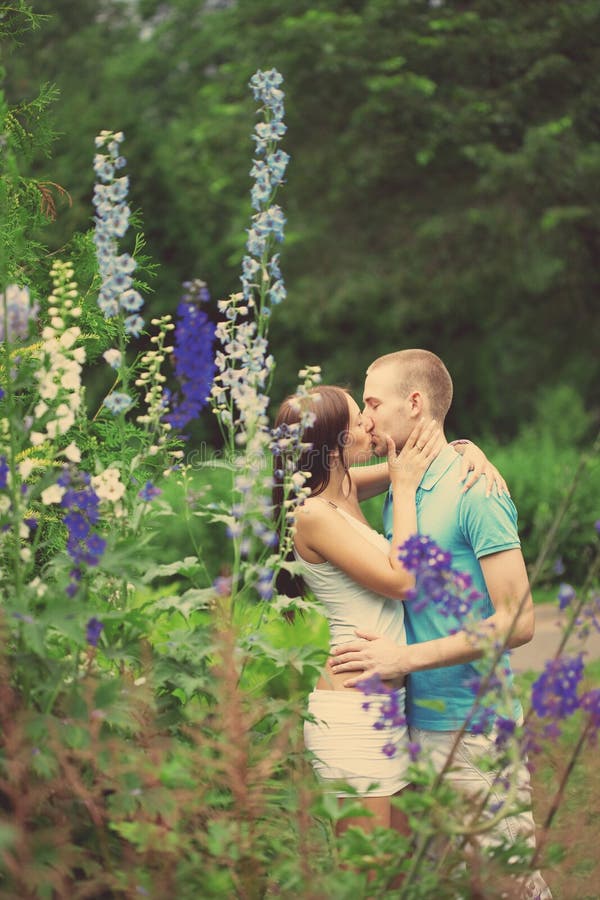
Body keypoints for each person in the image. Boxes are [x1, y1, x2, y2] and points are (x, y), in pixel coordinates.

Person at [329, 350, 551, 898]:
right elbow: (323, 487)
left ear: (415, 403)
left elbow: (518, 621)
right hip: (408, 728)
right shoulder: (403, 483)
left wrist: (405, 659)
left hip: (471, 732)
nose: (367, 419)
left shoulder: (476, 490)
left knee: (511, 888)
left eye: (374, 404)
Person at [273, 384, 505, 838]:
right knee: (368, 873)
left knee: (394, 872)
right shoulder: (312, 514)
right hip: (352, 712)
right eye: (359, 420)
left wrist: (464, 448)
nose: (369, 425)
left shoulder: (343, 488)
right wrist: (401, 482)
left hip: (389, 706)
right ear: (337, 443)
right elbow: (403, 581)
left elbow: (424, 459)